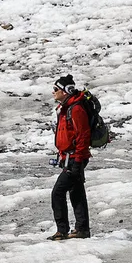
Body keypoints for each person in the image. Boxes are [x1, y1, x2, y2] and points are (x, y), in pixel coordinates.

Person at [49, 75, 91, 240]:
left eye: (56, 89)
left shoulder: (76, 109)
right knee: (76, 193)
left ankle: (62, 230)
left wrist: (78, 161)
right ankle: (82, 229)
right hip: (69, 157)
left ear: (65, 91)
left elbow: (83, 136)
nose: (53, 92)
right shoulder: (66, 108)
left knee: (57, 192)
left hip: (75, 158)